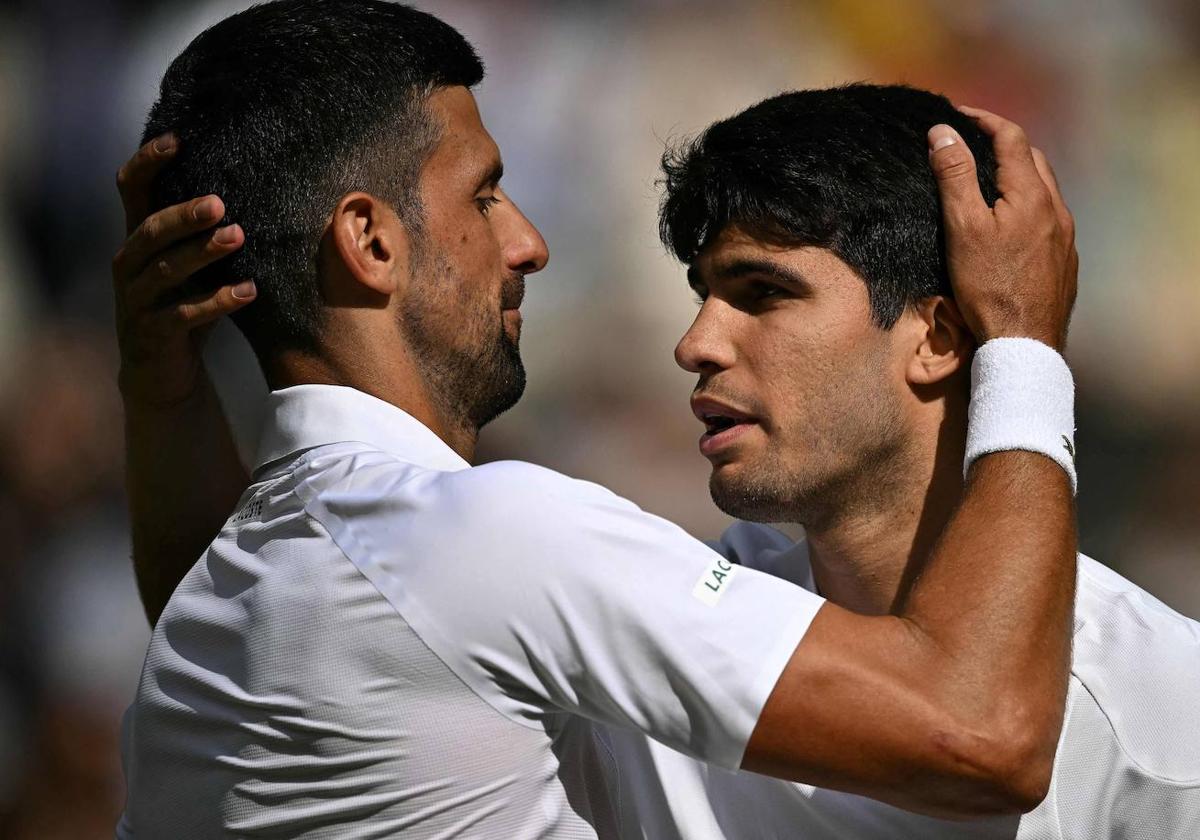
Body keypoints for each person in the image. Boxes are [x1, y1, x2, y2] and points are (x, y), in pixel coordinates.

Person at [111, 2, 1079, 837]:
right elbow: (981, 733)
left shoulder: (218, 613)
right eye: (483, 194)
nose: (527, 242)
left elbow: (203, 581)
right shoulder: (482, 536)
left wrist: (165, 392)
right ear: (370, 240)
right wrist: (1024, 344)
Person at [593, 85, 1200, 839]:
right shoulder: (654, 640)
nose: (696, 343)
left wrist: (1021, 342)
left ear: (937, 339)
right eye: (705, 294)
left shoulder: (1167, 720)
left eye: (764, 292)